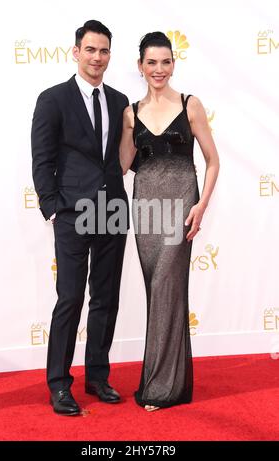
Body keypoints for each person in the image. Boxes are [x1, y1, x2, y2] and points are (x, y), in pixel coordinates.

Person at [31, 20, 129, 416]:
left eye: (104, 51)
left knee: (106, 298)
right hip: (72, 213)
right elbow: (42, 160)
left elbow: (124, 156)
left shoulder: (121, 101)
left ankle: (98, 376)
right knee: (70, 299)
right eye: (90, 50)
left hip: (112, 210)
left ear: (109, 55)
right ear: (76, 52)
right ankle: (59, 384)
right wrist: (52, 207)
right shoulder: (53, 99)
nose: (97, 57)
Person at [120, 32, 219, 411]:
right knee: (160, 294)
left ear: (173, 63)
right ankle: (163, 380)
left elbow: (213, 161)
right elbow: (122, 166)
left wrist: (201, 205)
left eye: (165, 61)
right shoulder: (130, 113)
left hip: (181, 209)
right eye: (151, 62)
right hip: (145, 212)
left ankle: (162, 389)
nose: (158, 69)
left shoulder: (190, 105)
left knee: (166, 288)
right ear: (141, 66)